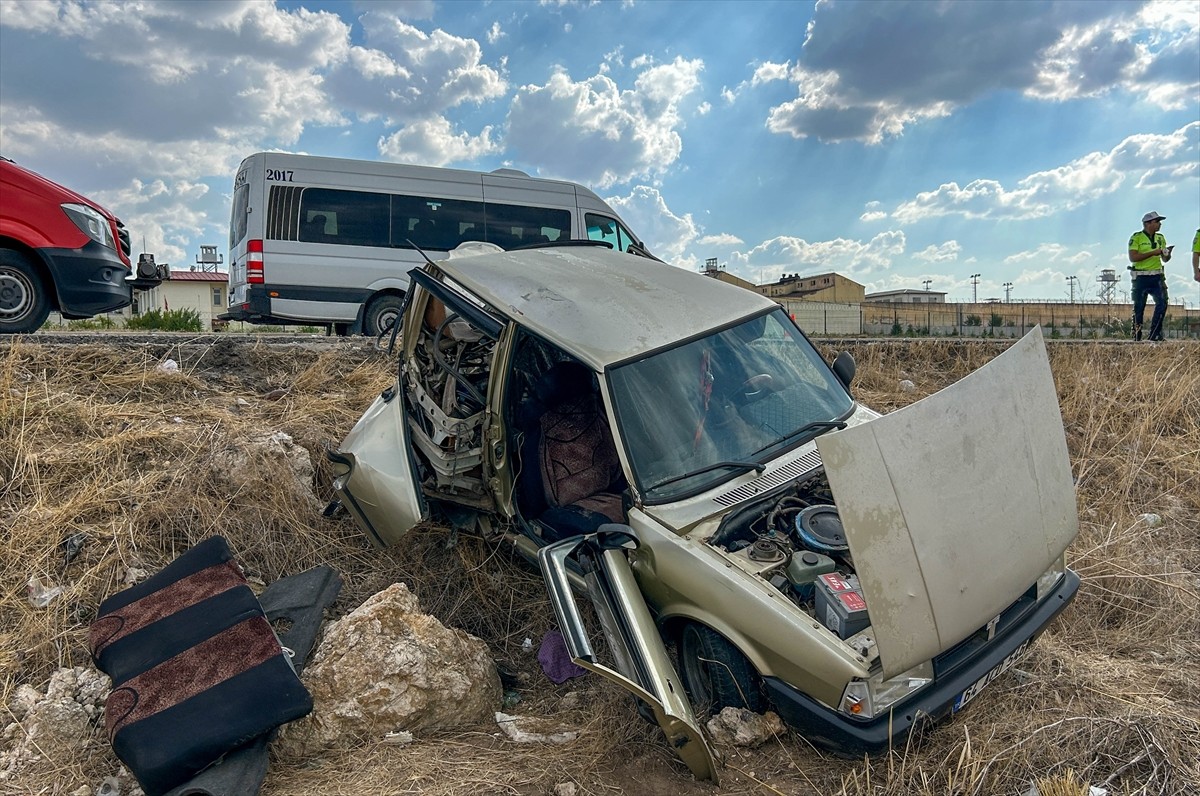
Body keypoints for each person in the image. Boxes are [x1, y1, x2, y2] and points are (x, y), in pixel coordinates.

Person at [1127, 211, 1173, 341]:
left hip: (1157, 276)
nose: (1159, 224)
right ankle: (1136, 335)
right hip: (1140, 277)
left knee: (1162, 303)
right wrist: (1154, 252)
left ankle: (1155, 334)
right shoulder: (1136, 237)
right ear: (1148, 223)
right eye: (1157, 221)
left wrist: (1167, 254)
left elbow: (1164, 259)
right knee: (1139, 307)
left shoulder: (1160, 238)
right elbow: (1133, 257)